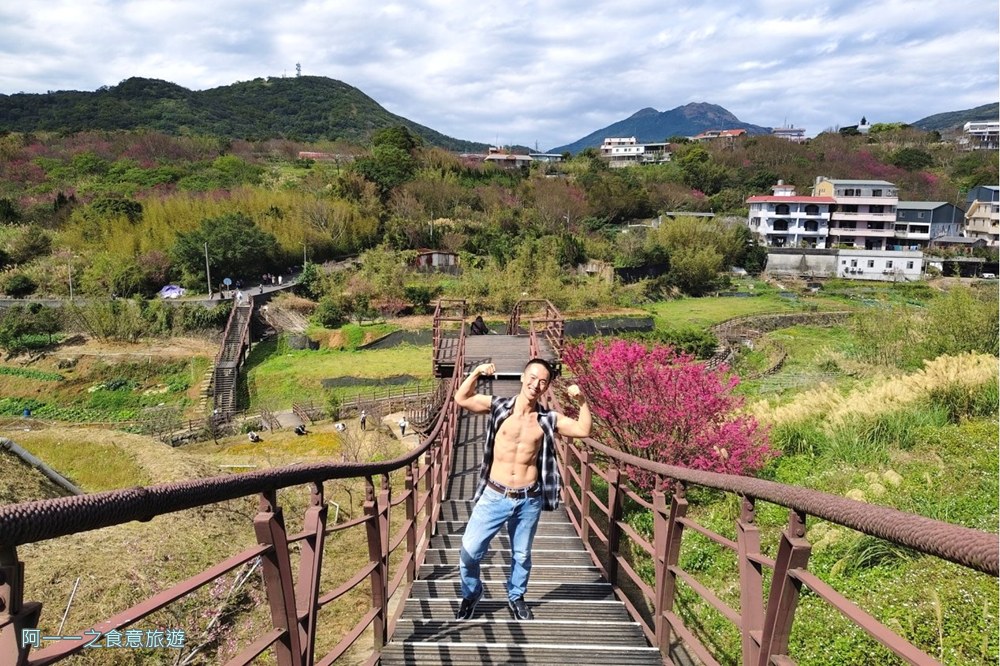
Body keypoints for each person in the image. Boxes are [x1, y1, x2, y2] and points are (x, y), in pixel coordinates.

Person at [453, 358, 591, 621]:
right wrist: (476, 372)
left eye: (543, 382)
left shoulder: (547, 419)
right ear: (522, 378)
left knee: (521, 554)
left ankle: (516, 596)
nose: (536, 384)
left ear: (547, 387)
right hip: (494, 495)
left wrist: (582, 402)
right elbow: (462, 398)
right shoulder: (498, 406)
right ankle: (471, 593)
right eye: (532, 377)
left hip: (529, 499)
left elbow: (583, 429)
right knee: (469, 552)